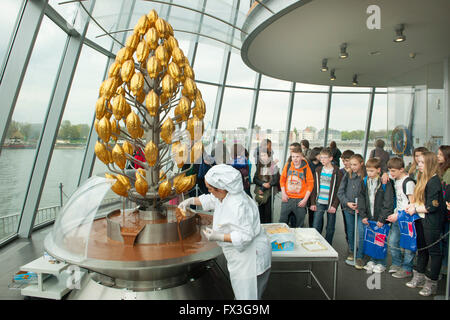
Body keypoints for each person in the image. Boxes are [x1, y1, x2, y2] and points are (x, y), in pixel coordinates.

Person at [178, 164, 272, 300]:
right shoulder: (226, 194)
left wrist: (218, 236)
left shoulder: (238, 206)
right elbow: (211, 199)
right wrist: (191, 201)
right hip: (241, 258)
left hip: (251, 259)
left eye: (210, 189)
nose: (210, 192)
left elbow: (245, 237)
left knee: (248, 297)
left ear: (221, 189)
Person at [405, 151, 446, 296]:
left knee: (434, 252)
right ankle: (419, 276)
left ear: (430, 164)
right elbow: (421, 200)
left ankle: (431, 282)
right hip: (421, 219)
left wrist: (415, 208)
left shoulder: (434, 181)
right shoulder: (423, 177)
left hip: (431, 221)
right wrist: (413, 206)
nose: (419, 165)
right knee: (422, 249)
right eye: (419, 162)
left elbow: (432, 207)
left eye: (422, 163)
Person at [357, 158, 394, 273]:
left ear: (378, 170)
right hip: (370, 217)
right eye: (368, 171)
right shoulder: (365, 181)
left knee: (380, 240)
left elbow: (388, 202)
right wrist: (363, 215)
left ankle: (381, 262)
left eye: (372, 171)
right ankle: (372, 260)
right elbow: (361, 198)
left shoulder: (385, 182)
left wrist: (382, 219)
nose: (369, 173)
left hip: (380, 218)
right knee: (371, 239)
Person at [385, 157, 416, 278]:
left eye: (393, 171)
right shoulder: (396, 180)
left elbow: (411, 203)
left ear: (401, 169)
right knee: (393, 241)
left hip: (406, 218)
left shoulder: (408, 182)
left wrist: (398, 215)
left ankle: (407, 268)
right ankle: (397, 263)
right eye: (389, 171)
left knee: (408, 245)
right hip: (398, 216)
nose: (391, 173)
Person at [309, 148, 343, 244]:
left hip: (331, 203)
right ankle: (316, 243)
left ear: (331, 158)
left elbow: (339, 191)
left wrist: (334, 205)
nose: (322, 160)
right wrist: (313, 202)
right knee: (316, 224)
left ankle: (328, 244)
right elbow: (314, 188)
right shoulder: (318, 170)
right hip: (319, 202)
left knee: (330, 227)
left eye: (325, 158)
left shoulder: (337, 172)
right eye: (321, 157)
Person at [337, 154, 366, 267]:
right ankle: (352, 250)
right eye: (351, 164)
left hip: (361, 211)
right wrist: (347, 203)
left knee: (362, 232)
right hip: (348, 209)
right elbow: (340, 192)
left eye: (355, 164)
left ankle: (359, 256)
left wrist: (362, 207)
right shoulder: (347, 175)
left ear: (361, 163)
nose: (352, 167)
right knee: (350, 231)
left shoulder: (366, 176)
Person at [279, 146, 314, 228]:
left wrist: (305, 199)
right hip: (287, 199)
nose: (295, 159)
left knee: (300, 223)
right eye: (293, 156)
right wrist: (283, 194)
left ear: (302, 157)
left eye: (297, 156)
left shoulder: (306, 168)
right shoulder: (287, 166)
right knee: (282, 222)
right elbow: (282, 180)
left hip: (300, 201)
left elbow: (310, 184)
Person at [253, 149, 280, 223]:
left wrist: (265, 186)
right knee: (261, 211)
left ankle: (268, 228)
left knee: (268, 213)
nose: (262, 157)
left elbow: (276, 180)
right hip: (260, 191)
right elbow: (254, 179)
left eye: (264, 155)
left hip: (269, 193)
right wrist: (262, 184)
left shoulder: (273, 166)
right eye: (261, 156)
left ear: (269, 156)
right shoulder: (259, 165)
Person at [437, 145, 450, 275]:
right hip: (443, 212)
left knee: (445, 241)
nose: (438, 156)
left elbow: (446, 193)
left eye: (440, 155)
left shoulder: (448, 173)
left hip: (446, 213)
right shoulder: (442, 170)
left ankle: (444, 266)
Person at [340, 150, 355, 244]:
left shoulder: (358, 172)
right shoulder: (341, 171)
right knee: (347, 224)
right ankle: (350, 243)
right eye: (343, 161)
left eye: (347, 160)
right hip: (345, 202)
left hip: (356, 202)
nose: (345, 163)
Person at [307, 147, 323, 227]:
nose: (322, 157)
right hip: (309, 190)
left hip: (319, 191)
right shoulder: (308, 164)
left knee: (320, 213)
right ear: (315, 155)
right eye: (320, 155)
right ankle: (311, 227)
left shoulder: (322, 165)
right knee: (311, 212)